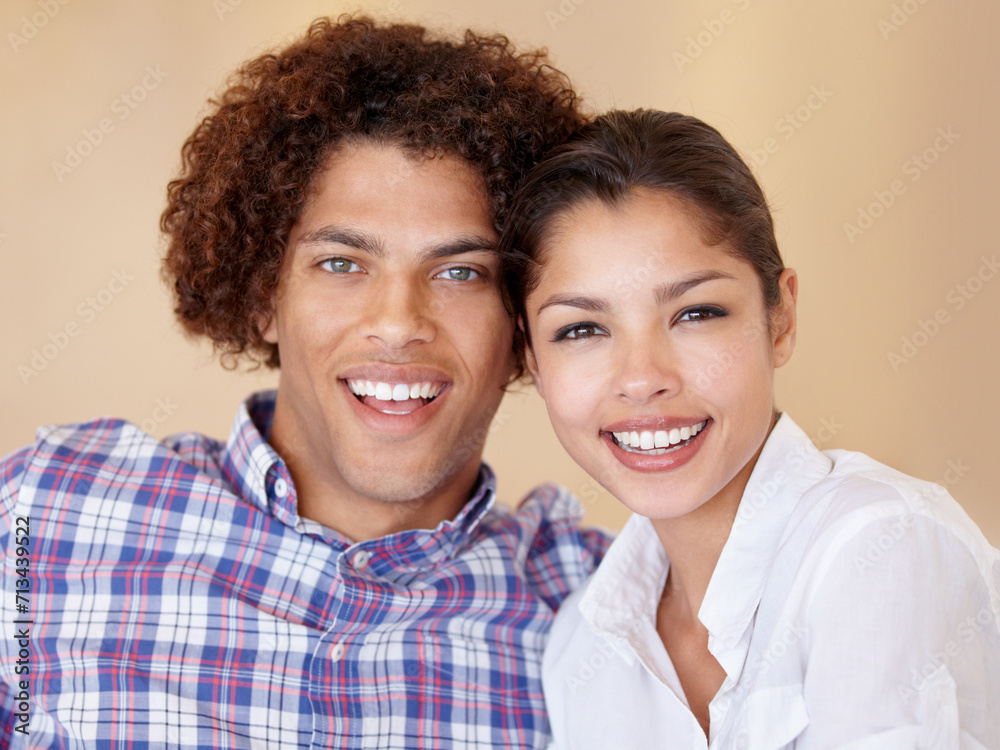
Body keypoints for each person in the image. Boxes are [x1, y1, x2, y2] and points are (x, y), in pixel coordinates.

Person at [0, 17, 610, 747]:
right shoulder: (44, 513)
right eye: (342, 264)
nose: (398, 324)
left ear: (526, 329)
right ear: (264, 297)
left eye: (459, 272)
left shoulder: (602, 611)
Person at [500, 109, 1000, 748]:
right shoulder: (579, 645)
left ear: (780, 318)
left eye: (696, 313)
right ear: (533, 358)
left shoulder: (878, 546)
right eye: (582, 329)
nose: (642, 379)